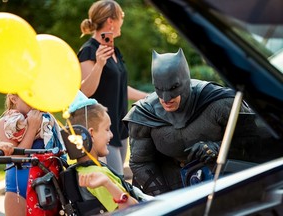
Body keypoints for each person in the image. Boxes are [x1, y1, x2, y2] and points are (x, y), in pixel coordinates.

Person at [123, 48, 254, 196]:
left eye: (173, 89)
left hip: (222, 181)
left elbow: (253, 143)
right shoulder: (144, 115)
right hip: (171, 183)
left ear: (185, 84)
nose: (166, 99)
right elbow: (141, 163)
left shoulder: (221, 103)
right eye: (159, 89)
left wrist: (217, 148)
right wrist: (165, 200)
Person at [78, 0, 147, 176]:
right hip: (101, 129)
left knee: (119, 184)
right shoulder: (88, 51)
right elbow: (85, 92)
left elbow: (120, 87)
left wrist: (147, 96)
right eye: (121, 17)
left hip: (120, 127)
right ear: (111, 21)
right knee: (117, 185)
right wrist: (99, 65)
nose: (122, 21)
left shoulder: (115, 51)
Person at [66, 96, 152, 214]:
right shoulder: (96, 175)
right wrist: (107, 183)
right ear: (91, 133)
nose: (111, 135)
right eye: (107, 129)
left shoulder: (82, 170)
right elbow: (131, 210)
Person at [0, 94, 65, 216]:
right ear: (14, 98)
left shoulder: (46, 122)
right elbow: (17, 158)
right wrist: (32, 128)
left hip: (46, 186)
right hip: (17, 190)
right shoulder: (6, 123)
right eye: (30, 96)